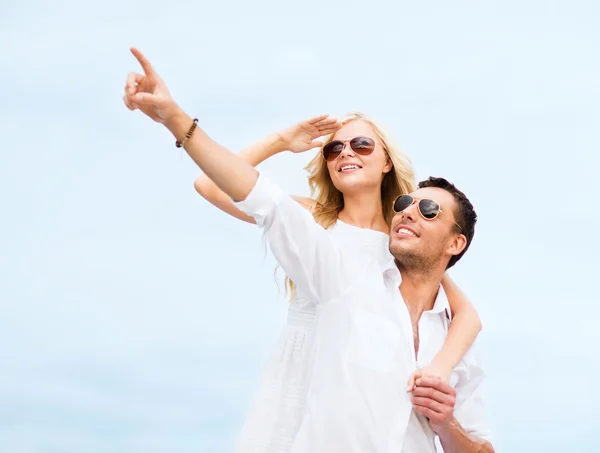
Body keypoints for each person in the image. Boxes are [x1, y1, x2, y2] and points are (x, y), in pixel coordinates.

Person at [122, 48, 494, 453]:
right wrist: (281, 141)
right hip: (309, 376)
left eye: (362, 144)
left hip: (370, 389)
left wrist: (438, 372)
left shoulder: (401, 240)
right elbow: (216, 186)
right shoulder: (314, 220)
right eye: (333, 149)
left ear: (387, 161)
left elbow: (461, 312)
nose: (346, 153)